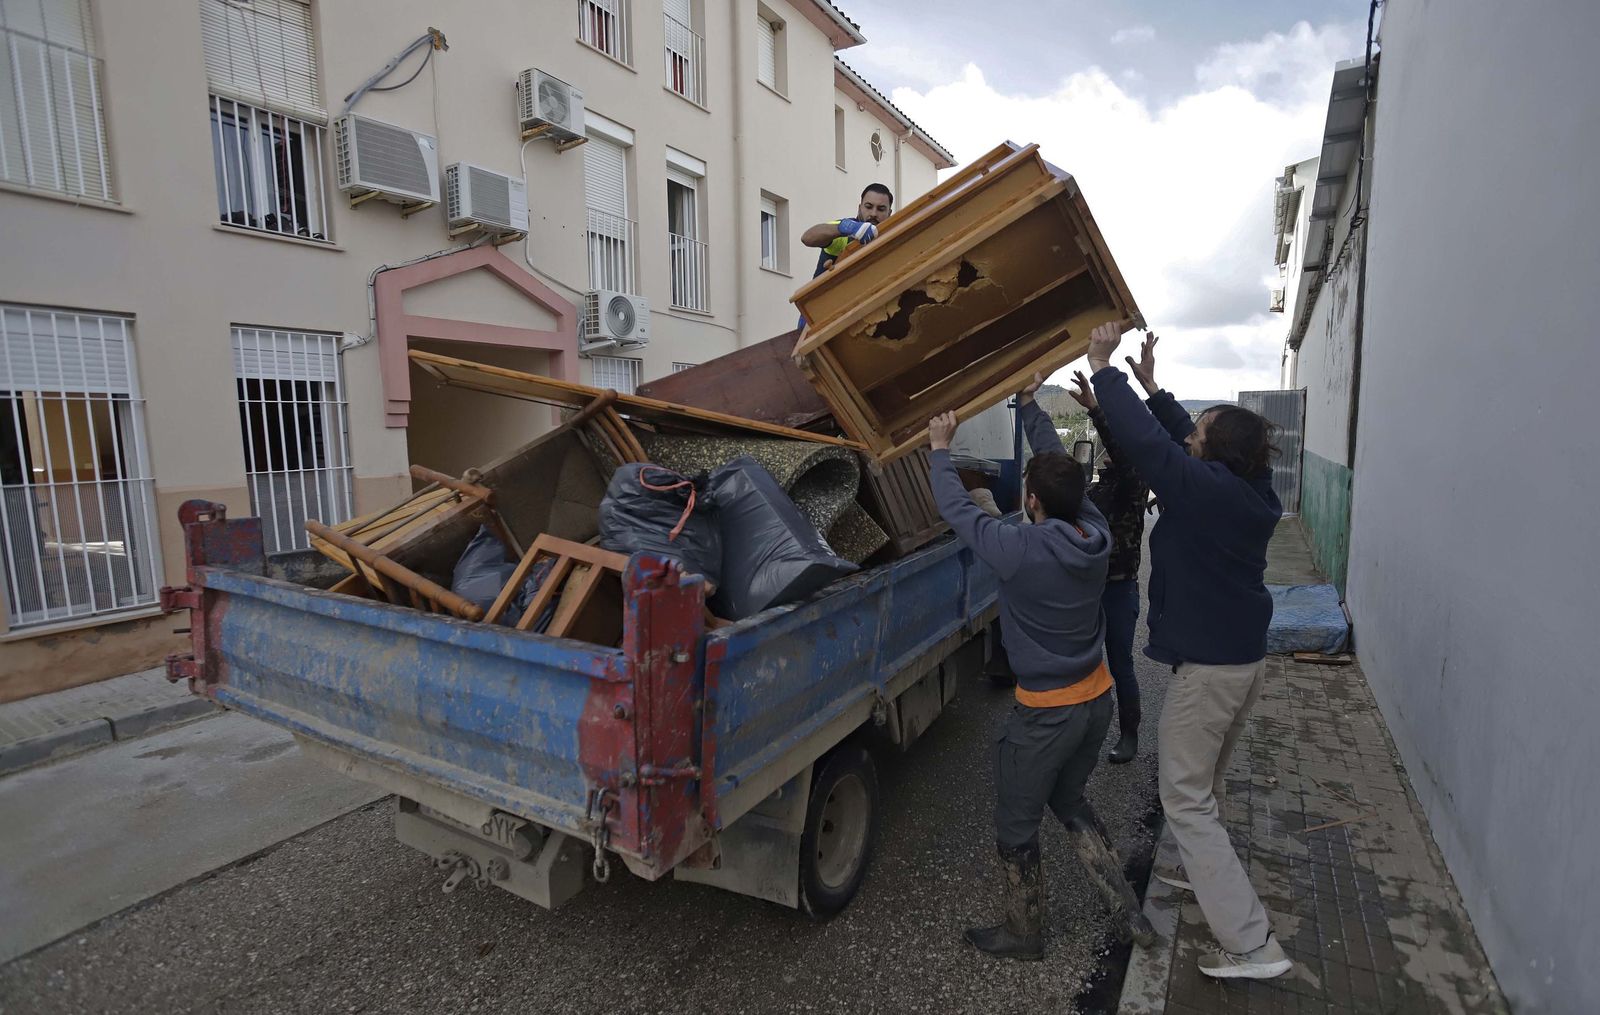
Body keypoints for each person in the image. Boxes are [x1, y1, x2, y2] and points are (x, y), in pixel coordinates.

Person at [1085, 323, 1291, 981]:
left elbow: (1152, 446)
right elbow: (1179, 437)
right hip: (1241, 660)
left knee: (1185, 797)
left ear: (1215, 453)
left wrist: (1105, 368)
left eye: (1200, 433)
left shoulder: (1204, 490)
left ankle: (1252, 944)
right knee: (1203, 783)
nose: (1190, 437)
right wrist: (1154, 387)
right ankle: (1190, 866)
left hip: (1210, 671)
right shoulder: (1249, 487)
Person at [927, 377, 1154, 960]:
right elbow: (1058, 470)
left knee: (1016, 822)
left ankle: (1024, 933)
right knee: (1070, 801)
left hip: (1046, 715)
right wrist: (1029, 406)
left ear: (1031, 501)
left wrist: (939, 449)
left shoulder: (1019, 550)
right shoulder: (1095, 533)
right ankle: (1128, 911)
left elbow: (957, 510)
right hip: (1095, 702)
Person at [1067, 369, 1150, 764]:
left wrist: (1097, 410)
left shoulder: (1134, 483)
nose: (1106, 449)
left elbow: (1121, 449)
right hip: (1087, 590)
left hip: (1118, 588)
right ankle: (1075, 734)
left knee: (1120, 663)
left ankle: (1129, 734)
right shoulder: (1097, 486)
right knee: (1079, 664)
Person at [801, 183, 894, 279]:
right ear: (859, 208)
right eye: (868, 207)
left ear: (889, 213)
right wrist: (848, 228)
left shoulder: (892, 237)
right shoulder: (844, 231)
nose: (874, 213)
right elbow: (807, 238)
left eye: (881, 209)